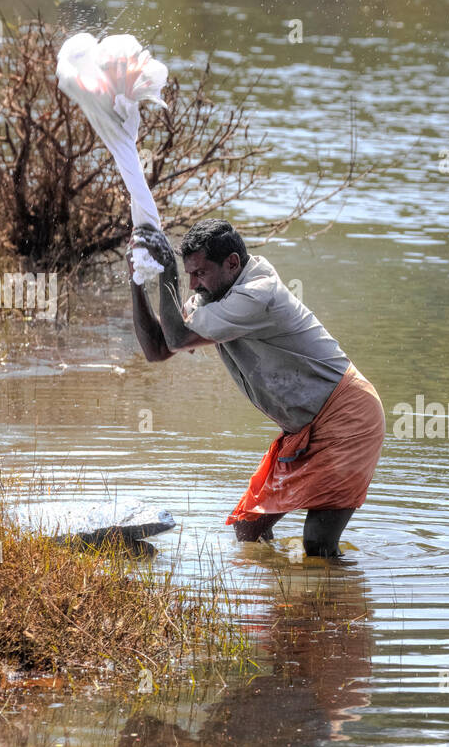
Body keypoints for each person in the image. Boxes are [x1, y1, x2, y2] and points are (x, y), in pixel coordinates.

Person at [128, 219, 384, 557]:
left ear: (232, 263)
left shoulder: (258, 294)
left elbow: (176, 336)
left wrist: (168, 273)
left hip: (348, 419)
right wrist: (137, 280)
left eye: (199, 273)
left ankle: (330, 605)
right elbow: (158, 349)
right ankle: (283, 594)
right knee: (248, 528)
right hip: (305, 427)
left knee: (318, 543)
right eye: (188, 275)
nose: (193, 284)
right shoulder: (214, 296)